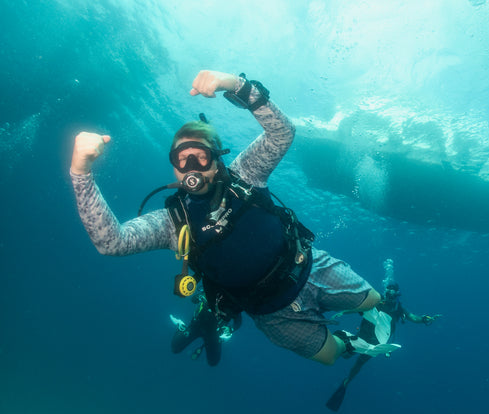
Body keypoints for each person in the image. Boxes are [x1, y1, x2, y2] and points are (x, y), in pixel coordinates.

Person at [70, 69, 400, 366]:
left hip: (311, 267)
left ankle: (370, 311)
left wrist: (234, 84)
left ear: (217, 161)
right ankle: (349, 343)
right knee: (330, 356)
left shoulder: (245, 173)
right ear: (172, 165)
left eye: (200, 157)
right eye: (180, 160)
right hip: (272, 313)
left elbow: (282, 133)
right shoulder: (174, 223)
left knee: (373, 299)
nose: (191, 168)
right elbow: (111, 242)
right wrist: (80, 172)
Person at [326, 259, 441, 411]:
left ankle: (347, 381)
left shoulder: (399, 309)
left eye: (393, 293)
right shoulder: (376, 301)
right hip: (363, 336)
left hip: (377, 343)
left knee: (359, 361)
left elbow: (413, 317)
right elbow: (359, 306)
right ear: (385, 291)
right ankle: (335, 355)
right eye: (388, 292)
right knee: (348, 353)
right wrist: (343, 312)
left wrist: (425, 319)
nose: (390, 296)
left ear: (397, 295)